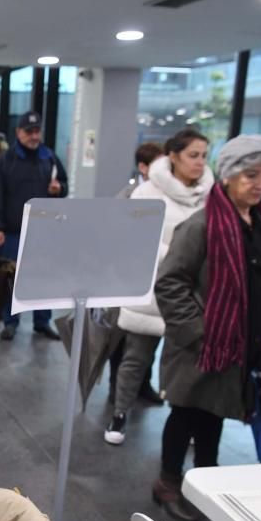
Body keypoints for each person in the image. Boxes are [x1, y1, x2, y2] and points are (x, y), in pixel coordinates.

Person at [153, 134, 261, 521]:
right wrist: (201, 331)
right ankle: (168, 483)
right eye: (250, 175)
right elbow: (169, 283)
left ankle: (207, 484)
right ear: (227, 176)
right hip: (204, 345)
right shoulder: (203, 225)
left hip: (241, 341)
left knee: (215, 415)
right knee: (187, 413)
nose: (259, 184)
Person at [106, 130, 214, 446]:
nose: (200, 162)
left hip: (192, 294)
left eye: (204, 155)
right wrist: (178, 258)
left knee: (189, 366)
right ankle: (119, 413)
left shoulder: (210, 195)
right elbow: (132, 240)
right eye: (193, 155)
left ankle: (189, 425)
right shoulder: (147, 193)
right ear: (173, 156)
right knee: (136, 356)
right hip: (152, 288)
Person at [0, 111, 66, 341]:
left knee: (43, 278)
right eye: (29, 131)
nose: (33, 136)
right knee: (12, 279)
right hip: (12, 231)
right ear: (18, 133)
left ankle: (42, 321)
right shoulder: (6, 161)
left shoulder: (48, 157)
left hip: (43, 231)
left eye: (37, 131)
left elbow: (64, 183)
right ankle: (11, 322)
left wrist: (58, 188)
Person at [107, 141, 165, 404]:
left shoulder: (167, 197)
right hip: (126, 277)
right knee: (120, 337)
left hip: (155, 279)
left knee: (149, 334)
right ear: (143, 167)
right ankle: (115, 387)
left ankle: (143, 384)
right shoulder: (129, 195)